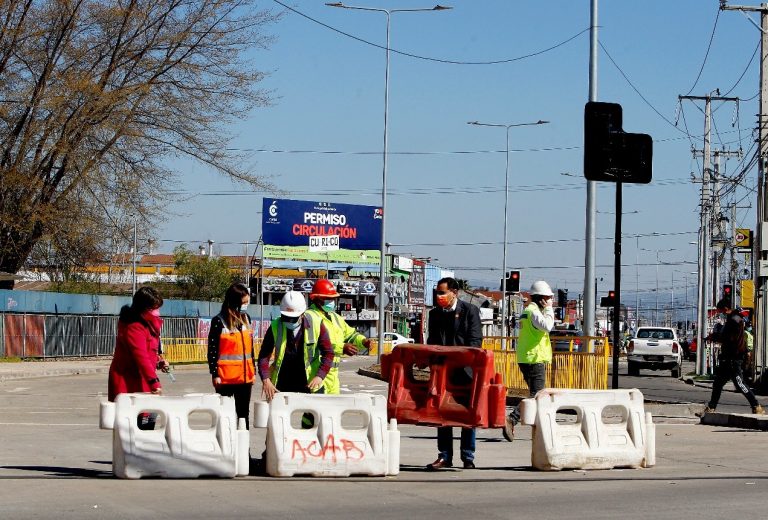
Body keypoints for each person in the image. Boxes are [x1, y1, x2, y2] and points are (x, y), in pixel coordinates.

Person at [425, 277, 483, 471]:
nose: (439, 297)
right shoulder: (434, 314)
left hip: (466, 371)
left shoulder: (470, 311)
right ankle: (444, 456)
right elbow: (432, 341)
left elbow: (475, 342)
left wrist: (458, 357)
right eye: (438, 293)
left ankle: (468, 456)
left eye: (443, 293)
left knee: (467, 414)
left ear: (454, 292)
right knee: (442, 415)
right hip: (442, 372)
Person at [108, 286, 169, 429]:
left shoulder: (148, 324)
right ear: (143, 308)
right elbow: (140, 356)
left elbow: (149, 353)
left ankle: (144, 450)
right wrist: (154, 382)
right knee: (133, 427)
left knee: (147, 423)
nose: (157, 312)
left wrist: (158, 361)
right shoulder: (134, 326)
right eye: (153, 308)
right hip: (129, 382)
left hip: (144, 379)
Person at [258, 290, 334, 400]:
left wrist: (320, 376)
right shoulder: (275, 326)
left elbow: (329, 353)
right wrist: (266, 380)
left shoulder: (316, 324)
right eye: (285, 317)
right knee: (278, 416)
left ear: (302, 314)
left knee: (313, 416)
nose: (289, 321)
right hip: (283, 381)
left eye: (293, 318)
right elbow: (264, 356)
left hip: (310, 382)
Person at [505, 280, 556, 440]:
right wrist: (549, 310)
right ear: (541, 298)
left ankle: (539, 427)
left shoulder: (527, 311)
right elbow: (548, 326)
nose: (550, 301)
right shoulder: (534, 312)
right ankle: (511, 419)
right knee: (537, 394)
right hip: (534, 358)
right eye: (548, 298)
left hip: (526, 357)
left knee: (537, 395)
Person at [697, 298, 764, 417]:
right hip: (727, 358)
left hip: (733, 358)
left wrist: (715, 337)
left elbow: (728, 338)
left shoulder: (734, 320)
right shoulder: (733, 318)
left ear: (726, 309)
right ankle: (711, 407)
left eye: (721, 311)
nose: (720, 313)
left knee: (740, 383)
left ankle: (756, 406)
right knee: (718, 384)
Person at [305, 279, 371, 395]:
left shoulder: (335, 317)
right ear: (318, 298)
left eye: (333, 298)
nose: (332, 301)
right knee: (314, 411)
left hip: (333, 376)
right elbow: (313, 343)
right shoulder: (309, 317)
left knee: (332, 410)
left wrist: (363, 341)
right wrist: (342, 348)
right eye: (329, 299)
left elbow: (351, 334)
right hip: (317, 373)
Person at [208, 283, 256, 429]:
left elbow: (250, 348)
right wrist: (215, 373)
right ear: (234, 302)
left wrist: (253, 371)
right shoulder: (219, 321)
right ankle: (226, 449)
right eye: (244, 302)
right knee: (225, 416)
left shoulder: (246, 318)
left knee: (243, 416)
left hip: (245, 378)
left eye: (247, 302)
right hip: (226, 379)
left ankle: (243, 451)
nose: (246, 305)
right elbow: (212, 351)